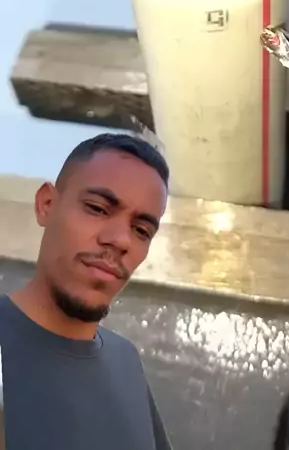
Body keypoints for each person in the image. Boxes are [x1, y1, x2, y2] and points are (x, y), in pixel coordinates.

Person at [0, 132, 172, 450]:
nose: (120, 240)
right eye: (98, 208)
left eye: (141, 230)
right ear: (47, 205)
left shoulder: (126, 363)